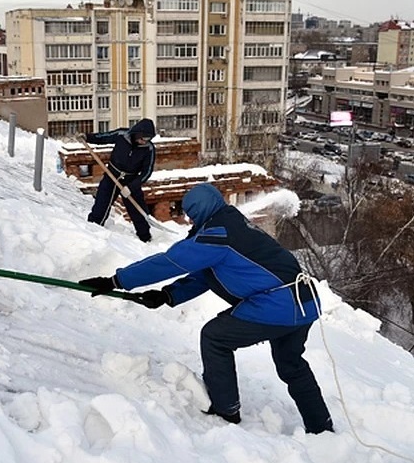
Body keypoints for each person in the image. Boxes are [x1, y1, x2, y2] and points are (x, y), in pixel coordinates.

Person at [78, 183, 334, 434]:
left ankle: (227, 409)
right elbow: (206, 274)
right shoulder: (231, 225)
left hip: (276, 304)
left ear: (199, 211)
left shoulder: (217, 235)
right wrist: (167, 295)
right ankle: (321, 428)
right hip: (305, 303)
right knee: (292, 366)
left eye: (190, 215)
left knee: (215, 337)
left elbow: (169, 262)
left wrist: (116, 281)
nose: (189, 221)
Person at [80, 118, 156, 243]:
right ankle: (92, 232)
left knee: (138, 212)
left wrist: (131, 187)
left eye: (148, 139)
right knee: (101, 204)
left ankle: (146, 239)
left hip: (131, 181)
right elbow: (104, 137)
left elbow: (147, 172)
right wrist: (87, 137)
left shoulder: (149, 150)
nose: (144, 142)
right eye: (143, 138)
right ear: (137, 133)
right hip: (112, 175)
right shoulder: (122, 135)